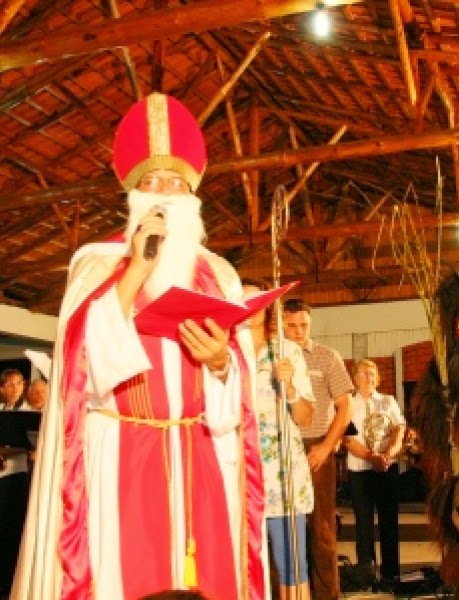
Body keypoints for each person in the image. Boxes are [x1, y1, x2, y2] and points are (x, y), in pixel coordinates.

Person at [12, 92, 267, 600]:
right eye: (152, 182)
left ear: (193, 196)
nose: (164, 193)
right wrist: (136, 271)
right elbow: (79, 364)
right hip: (120, 456)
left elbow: (238, 386)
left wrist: (220, 363)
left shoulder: (219, 274)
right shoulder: (95, 263)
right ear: (132, 193)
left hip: (200, 451)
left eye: (176, 183)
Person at [244, 281, 315, 600]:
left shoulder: (288, 351)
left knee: (292, 568)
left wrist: (289, 389)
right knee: (245, 568)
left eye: (256, 301)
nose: (249, 307)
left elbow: (305, 417)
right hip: (240, 475)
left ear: (267, 307)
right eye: (241, 301)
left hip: (282, 477)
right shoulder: (225, 352)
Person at [282, 298, 353, 600]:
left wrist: (325, 447)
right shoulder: (271, 358)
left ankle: (327, 596)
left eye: (304, 325)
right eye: (291, 326)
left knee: (322, 532)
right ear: (280, 324)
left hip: (316, 449)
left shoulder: (327, 357)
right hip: (279, 452)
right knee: (282, 532)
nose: (299, 331)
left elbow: (346, 407)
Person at [342, 358, 406, 590]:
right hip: (360, 470)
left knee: (389, 522)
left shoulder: (388, 401)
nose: (368, 377)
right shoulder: (348, 404)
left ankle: (391, 576)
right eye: (363, 373)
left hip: (387, 467)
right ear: (354, 379)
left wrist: (388, 454)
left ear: (378, 378)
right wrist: (372, 457)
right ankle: (366, 575)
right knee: (364, 524)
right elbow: (347, 440)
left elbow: (399, 429)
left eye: (372, 373)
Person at [0, 369, 32, 596]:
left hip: (19, 475)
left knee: (13, 527)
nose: (15, 388)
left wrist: (10, 450)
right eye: (10, 384)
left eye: (19, 383)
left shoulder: (29, 414)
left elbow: (32, 446)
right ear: (1, 388)